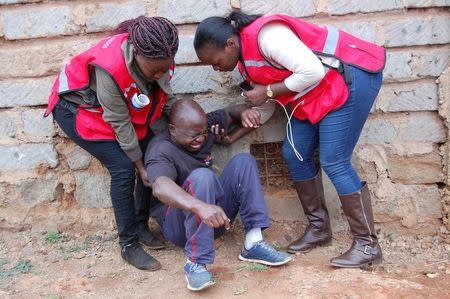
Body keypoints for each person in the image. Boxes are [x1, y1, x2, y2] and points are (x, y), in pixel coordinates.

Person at [193, 11, 385, 268]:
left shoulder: (267, 37)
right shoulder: (245, 63)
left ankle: (368, 245)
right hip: (316, 91)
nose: (217, 69)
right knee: (294, 153)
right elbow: (266, 106)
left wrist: (269, 91)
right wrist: (233, 136)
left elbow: (312, 70)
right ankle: (319, 229)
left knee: (334, 161)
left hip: (350, 78)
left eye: (215, 61)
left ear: (230, 44)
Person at [44, 16, 179, 271]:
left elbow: (164, 95)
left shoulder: (161, 52)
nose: (162, 74)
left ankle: (141, 224)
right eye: (155, 71)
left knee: (154, 152)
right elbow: (119, 122)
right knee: (123, 168)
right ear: (137, 55)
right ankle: (129, 245)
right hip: (75, 109)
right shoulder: (110, 69)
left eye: (166, 67)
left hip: (109, 110)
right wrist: (140, 166)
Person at [145, 99, 291, 291]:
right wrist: (199, 206)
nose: (201, 138)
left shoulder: (203, 126)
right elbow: (161, 187)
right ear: (173, 129)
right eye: (194, 135)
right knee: (203, 177)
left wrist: (244, 114)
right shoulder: (160, 149)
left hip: (213, 218)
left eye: (204, 133)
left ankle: (253, 243)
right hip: (179, 226)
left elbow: (232, 112)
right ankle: (195, 263)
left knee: (244, 162)